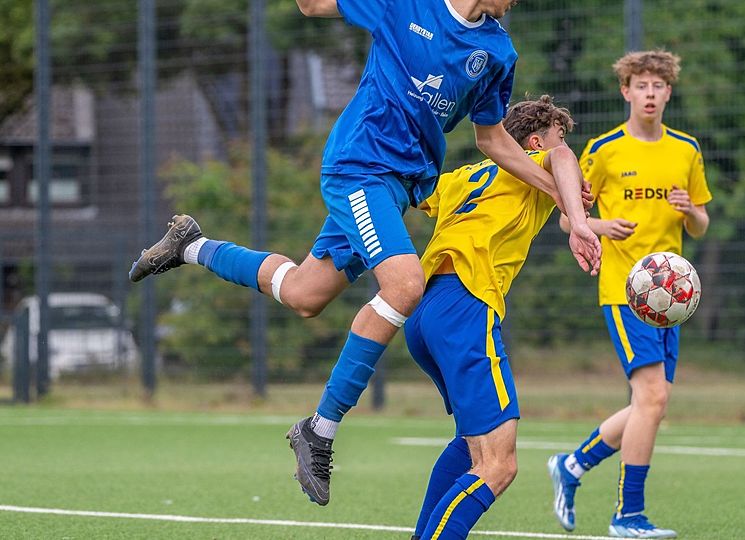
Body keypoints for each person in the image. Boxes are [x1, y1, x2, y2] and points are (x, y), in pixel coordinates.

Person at [127, 0, 596, 507]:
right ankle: (320, 429)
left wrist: (558, 194)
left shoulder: (497, 50)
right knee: (406, 284)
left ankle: (190, 245)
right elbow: (311, 7)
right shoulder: (404, 5)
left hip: (400, 186)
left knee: (305, 293)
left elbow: (492, 140)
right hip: (359, 167)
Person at [405, 95, 599, 540]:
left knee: (470, 444)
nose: (564, 147)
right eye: (558, 136)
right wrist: (578, 220)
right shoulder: (536, 164)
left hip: (424, 311)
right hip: (466, 305)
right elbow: (563, 159)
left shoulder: (466, 176)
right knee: (498, 465)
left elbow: (414, 193)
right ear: (535, 144)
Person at [549, 50, 712, 539]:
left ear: (668, 92)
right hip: (627, 291)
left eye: (658, 86)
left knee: (651, 404)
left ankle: (572, 465)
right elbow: (568, 220)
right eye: (641, 85)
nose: (649, 94)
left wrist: (690, 211)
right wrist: (601, 226)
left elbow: (701, 225)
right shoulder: (603, 150)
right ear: (626, 91)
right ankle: (628, 515)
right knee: (652, 398)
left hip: (672, 300)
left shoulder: (686, 149)